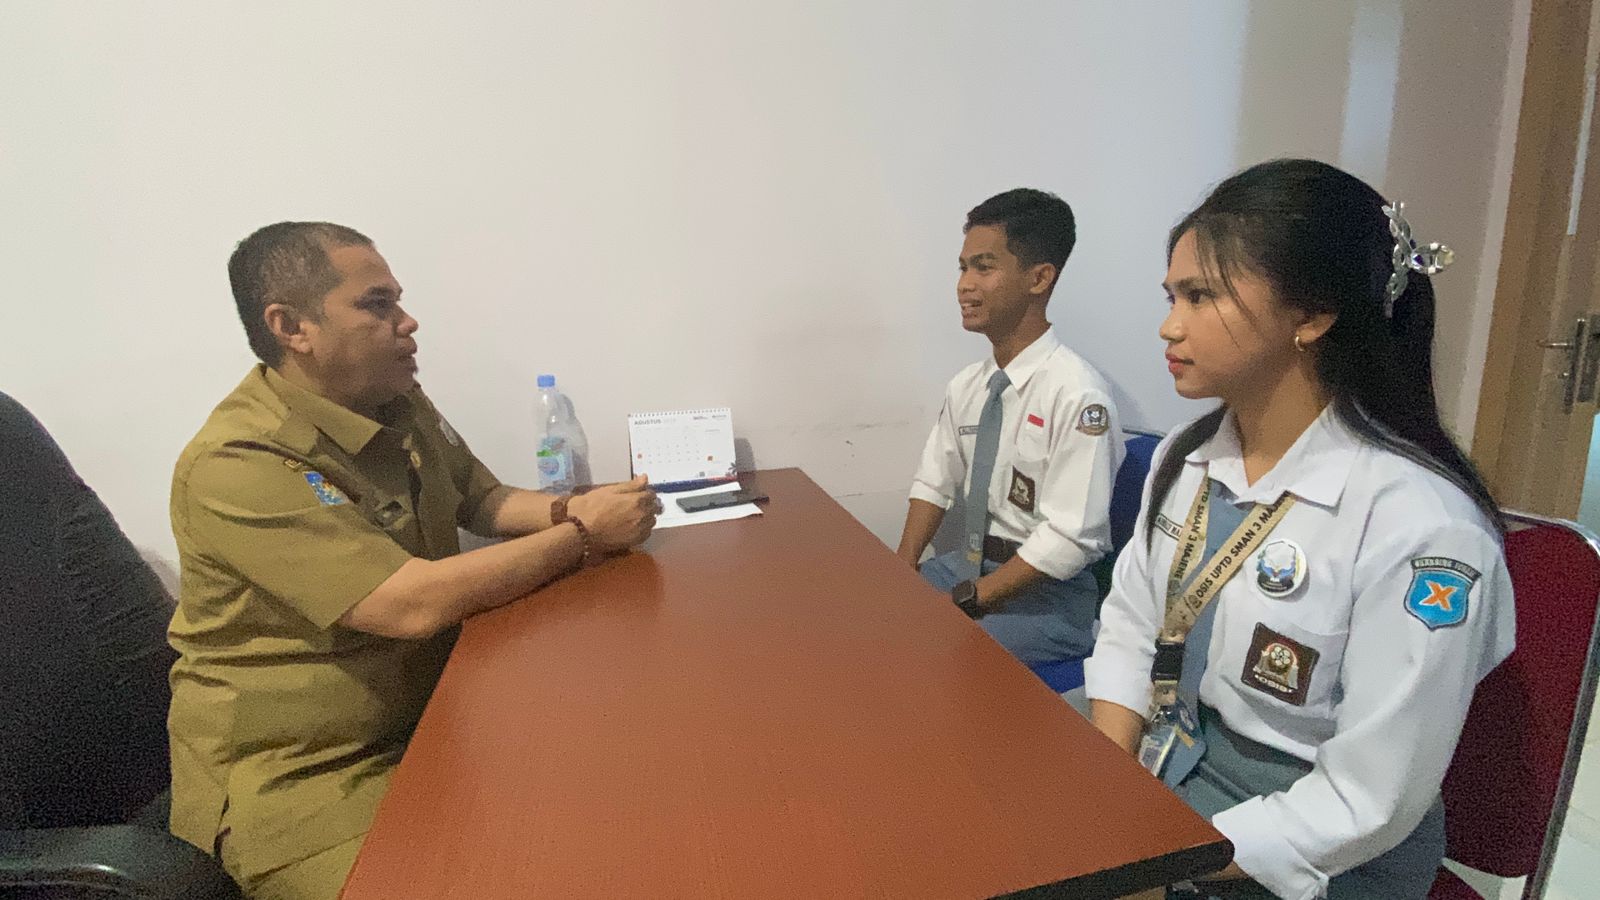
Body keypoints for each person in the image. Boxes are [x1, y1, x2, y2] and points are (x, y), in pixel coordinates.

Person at [166, 222, 658, 900]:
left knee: (623, 801)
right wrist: (581, 532)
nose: (407, 321)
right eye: (377, 305)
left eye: (397, 300)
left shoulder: (391, 400)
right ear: (291, 327)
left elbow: (482, 499)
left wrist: (585, 506)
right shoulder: (237, 461)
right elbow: (408, 604)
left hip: (435, 718)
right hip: (307, 778)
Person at [1084, 160, 1514, 899]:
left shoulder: (1422, 527)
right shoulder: (1187, 455)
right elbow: (1130, 626)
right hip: (1170, 759)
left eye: (1201, 296)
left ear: (1311, 317)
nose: (1170, 325)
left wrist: (1149, 863)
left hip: (1313, 843)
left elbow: (1366, 802)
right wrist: (1106, 791)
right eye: (1171, 295)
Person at [897, 189, 1123, 665]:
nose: (964, 285)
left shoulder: (1078, 395)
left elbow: (1071, 538)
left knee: (928, 650)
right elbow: (934, 483)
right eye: (962, 268)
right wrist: (900, 571)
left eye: (984, 267)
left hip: (1047, 598)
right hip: (966, 567)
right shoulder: (969, 385)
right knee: (869, 614)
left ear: (1039, 278)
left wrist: (969, 600)